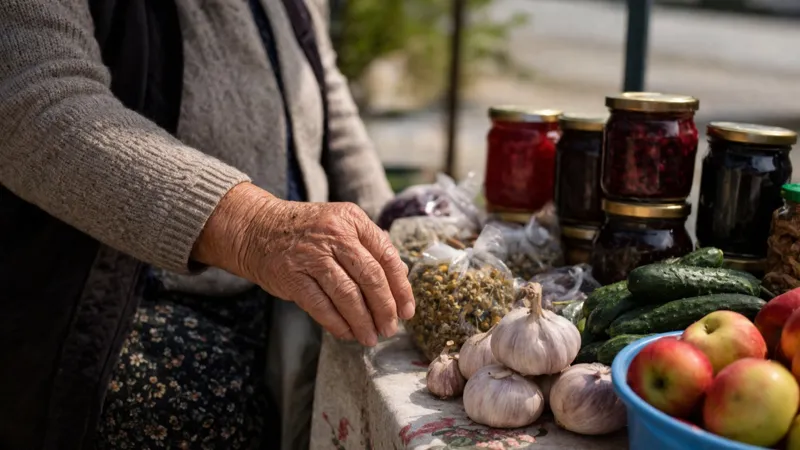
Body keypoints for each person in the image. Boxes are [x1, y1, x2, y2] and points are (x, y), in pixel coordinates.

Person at [0, 0, 415, 449]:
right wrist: (255, 228)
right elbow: (33, 98)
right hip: (121, 294)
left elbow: (326, 93)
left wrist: (393, 231)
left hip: (285, 293)